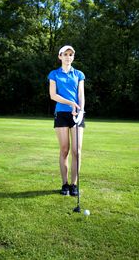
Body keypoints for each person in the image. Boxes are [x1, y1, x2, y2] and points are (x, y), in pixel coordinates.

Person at [48, 45, 85, 196]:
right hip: (62, 113)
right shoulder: (54, 74)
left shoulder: (79, 74)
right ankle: (64, 184)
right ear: (60, 56)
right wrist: (71, 104)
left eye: (71, 54)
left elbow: (81, 94)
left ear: (73, 57)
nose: (68, 57)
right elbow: (53, 95)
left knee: (77, 151)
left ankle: (74, 185)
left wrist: (80, 110)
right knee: (65, 150)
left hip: (77, 114)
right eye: (65, 54)